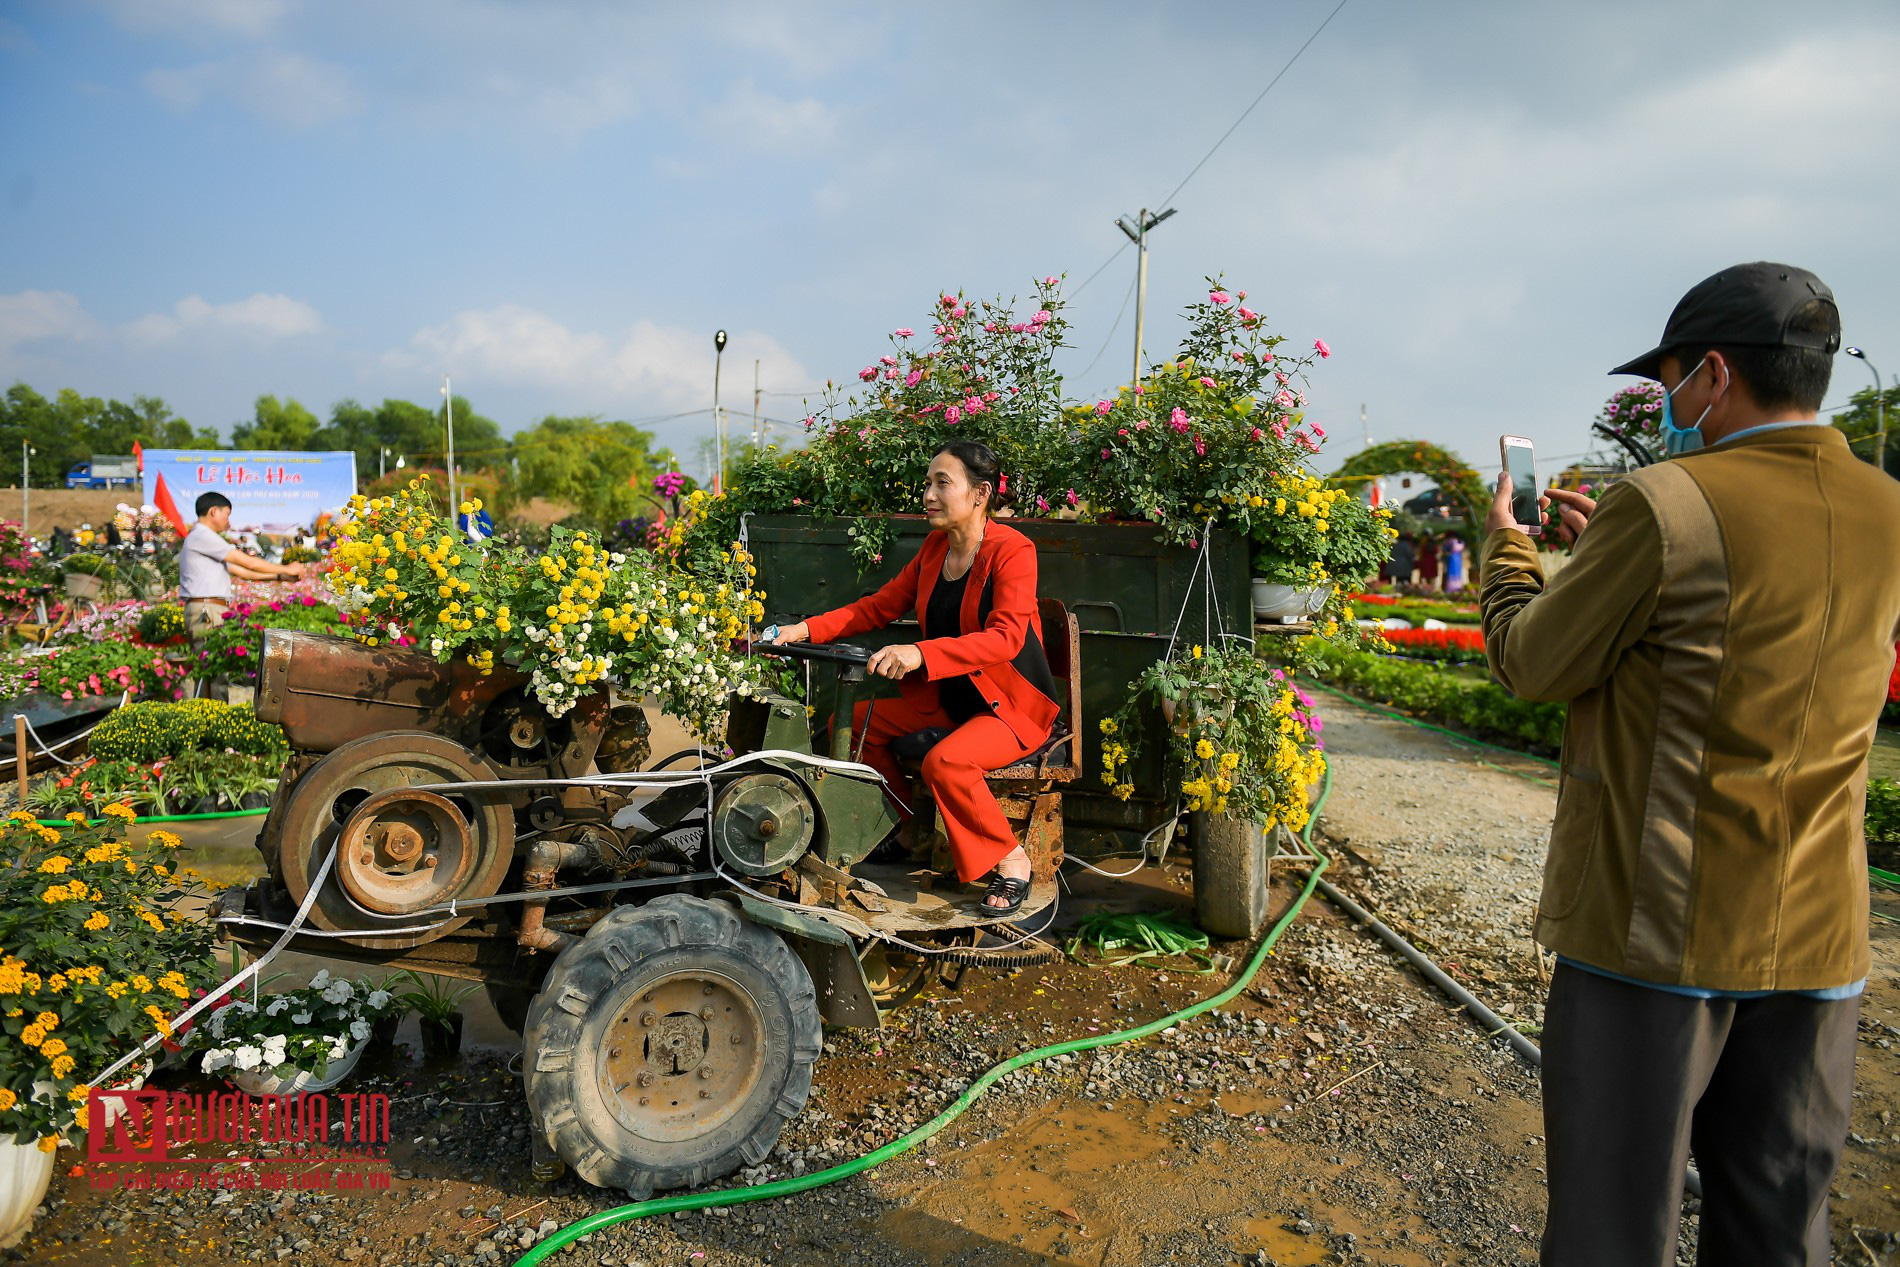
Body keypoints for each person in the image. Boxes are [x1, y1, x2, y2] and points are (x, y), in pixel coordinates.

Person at [1479, 262, 1900, 1267]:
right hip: (1819, 939)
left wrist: (1509, 550)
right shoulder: (1886, 506)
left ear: (1713, 374)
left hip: (1658, 933)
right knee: (1776, 1216)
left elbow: (1533, 662)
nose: (1664, 404)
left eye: (1667, 382)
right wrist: (1607, 556)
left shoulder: (1664, 501)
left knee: (1614, 1223)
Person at [770, 440, 1061, 913]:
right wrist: (800, 629)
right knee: (858, 723)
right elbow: (879, 606)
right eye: (928, 483)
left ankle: (1011, 861)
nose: (928, 494)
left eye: (942, 483)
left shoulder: (1013, 550)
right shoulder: (934, 549)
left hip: (1006, 709)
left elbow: (1006, 638)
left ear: (981, 493)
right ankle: (905, 831)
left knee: (946, 763)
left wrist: (919, 653)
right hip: (949, 702)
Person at [179, 492, 306, 640]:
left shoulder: (201, 538)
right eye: (227, 514)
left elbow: (245, 573)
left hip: (208, 608)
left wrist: (280, 576)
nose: (228, 521)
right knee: (207, 656)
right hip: (206, 610)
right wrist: (287, 568)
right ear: (214, 511)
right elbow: (248, 563)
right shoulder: (203, 536)